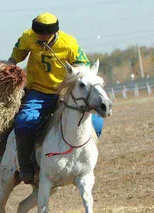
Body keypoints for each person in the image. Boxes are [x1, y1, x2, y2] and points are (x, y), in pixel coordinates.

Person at [9, 12, 96, 183]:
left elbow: (83, 64)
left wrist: (74, 75)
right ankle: (26, 166)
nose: (40, 37)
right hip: (38, 92)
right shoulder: (28, 36)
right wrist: (11, 64)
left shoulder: (69, 43)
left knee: (97, 123)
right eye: (38, 34)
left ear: (53, 33)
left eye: (44, 35)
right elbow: (17, 53)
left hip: (64, 93)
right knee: (24, 121)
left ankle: (84, 160)